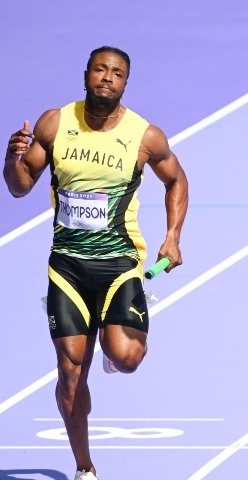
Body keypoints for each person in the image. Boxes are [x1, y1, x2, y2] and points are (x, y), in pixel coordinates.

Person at [3, 46, 188, 480]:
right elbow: (18, 187)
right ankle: (84, 467)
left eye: (117, 73)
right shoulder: (55, 123)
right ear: (86, 74)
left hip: (120, 264)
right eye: (101, 69)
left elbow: (176, 179)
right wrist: (12, 160)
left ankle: (112, 342)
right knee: (70, 372)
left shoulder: (145, 136)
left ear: (125, 83)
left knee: (125, 357)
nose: (107, 77)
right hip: (66, 268)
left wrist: (173, 237)